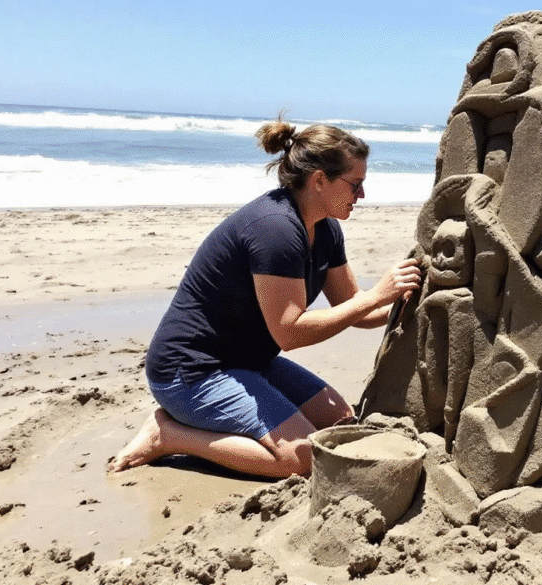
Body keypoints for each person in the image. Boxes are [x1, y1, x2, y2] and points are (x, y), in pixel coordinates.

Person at [108, 118, 423, 478]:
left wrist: (406, 298)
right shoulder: (275, 229)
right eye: (355, 184)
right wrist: (375, 297)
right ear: (319, 180)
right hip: (190, 370)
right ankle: (170, 435)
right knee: (302, 459)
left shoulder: (326, 229)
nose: (362, 195)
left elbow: (354, 309)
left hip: (248, 361)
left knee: (339, 421)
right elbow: (289, 334)